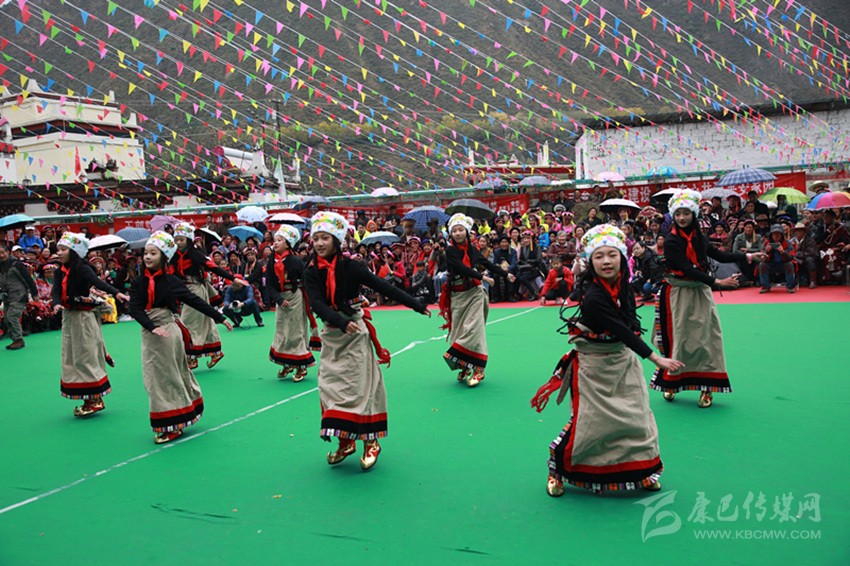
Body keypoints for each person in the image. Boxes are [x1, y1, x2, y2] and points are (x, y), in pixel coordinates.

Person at [530, 225, 684, 497]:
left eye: (612, 255)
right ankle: (558, 469)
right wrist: (655, 357)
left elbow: (628, 323)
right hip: (594, 365)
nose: (606, 261)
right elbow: (623, 330)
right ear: (591, 261)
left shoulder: (623, 286)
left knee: (637, 418)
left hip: (623, 361)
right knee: (592, 424)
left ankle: (643, 471)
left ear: (622, 258)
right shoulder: (593, 297)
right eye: (599, 256)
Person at [304, 212, 430, 470]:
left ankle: (370, 442)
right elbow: (316, 302)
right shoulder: (310, 270)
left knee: (360, 389)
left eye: (324, 238)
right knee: (330, 388)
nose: (319, 243)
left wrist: (416, 304)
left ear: (337, 240)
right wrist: (339, 322)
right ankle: (345, 441)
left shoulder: (351, 267)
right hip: (333, 335)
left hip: (355, 337)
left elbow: (383, 287)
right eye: (315, 238)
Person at [650, 189, 763, 409]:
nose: (682, 217)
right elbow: (685, 268)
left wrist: (748, 256)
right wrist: (718, 283)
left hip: (700, 292)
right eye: (678, 213)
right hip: (678, 294)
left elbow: (718, 255)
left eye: (686, 213)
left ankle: (707, 388)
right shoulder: (672, 241)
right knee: (680, 339)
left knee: (707, 339)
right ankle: (672, 382)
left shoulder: (699, 237)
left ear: (693, 214)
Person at [129, 231, 233, 444]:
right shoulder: (138, 282)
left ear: (164, 256)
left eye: (153, 253)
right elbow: (135, 308)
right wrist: (150, 326)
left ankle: (173, 421)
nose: (147, 257)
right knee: (153, 376)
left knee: (167, 375)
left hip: (168, 331)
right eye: (146, 253)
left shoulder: (171, 281)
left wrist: (219, 317)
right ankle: (175, 415)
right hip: (151, 333)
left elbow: (194, 300)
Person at [52, 233, 129, 416]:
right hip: (69, 317)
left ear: (74, 251)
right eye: (59, 249)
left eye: (64, 249)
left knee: (86, 355)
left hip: (84, 318)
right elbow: (56, 290)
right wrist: (56, 303)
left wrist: (116, 293)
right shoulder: (58, 271)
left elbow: (97, 283)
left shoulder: (83, 269)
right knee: (72, 356)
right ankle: (88, 397)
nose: (60, 253)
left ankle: (95, 399)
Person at [438, 214, 516, 387]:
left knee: (474, 329)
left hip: (474, 293)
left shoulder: (472, 250)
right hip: (457, 295)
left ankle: (479, 369)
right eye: (454, 231)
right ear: (451, 234)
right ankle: (465, 365)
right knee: (458, 332)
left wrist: (505, 273)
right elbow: (460, 268)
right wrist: (483, 277)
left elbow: (486, 264)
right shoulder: (450, 251)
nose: (458, 233)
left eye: (460, 230)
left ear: (467, 231)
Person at [169, 222, 234, 369]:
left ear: (189, 240)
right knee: (206, 322)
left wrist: (232, 278)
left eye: (181, 239)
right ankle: (216, 351)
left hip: (195, 290)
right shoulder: (174, 256)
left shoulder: (196, 254)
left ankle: (192, 357)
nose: (178, 242)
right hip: (185, 290)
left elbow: (213, 267)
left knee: (188, 322)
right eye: (176, 239)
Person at [264, 224, 316, 382]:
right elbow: (270, 284)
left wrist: (312, 301)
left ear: (287, 243)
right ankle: (286, 362)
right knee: (281, 331)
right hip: (282, 300)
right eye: (275, 240)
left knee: (295, 331)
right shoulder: (271, 260)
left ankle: (301, 366)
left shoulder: (296, 261)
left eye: (279, 240)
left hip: (295, 298)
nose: (275, 243)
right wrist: (279, 300)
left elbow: (306, 281)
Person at [0, 241, 38, 350]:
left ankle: (18, 339)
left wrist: (34, 293)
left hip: (19, 295)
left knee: (12, 316)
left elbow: (28, 279)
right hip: (7, 296)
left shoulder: (17, 264)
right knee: (7, 319)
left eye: (2, 252)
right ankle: (15, 339)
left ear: (8, 252)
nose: (1, 255)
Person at [759, 225, 797, 293]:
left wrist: (783, 252)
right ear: (771, 235)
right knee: (762, 265)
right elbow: (762, 258)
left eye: (778, 234)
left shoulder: (787, 243)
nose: (776, 236)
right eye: (774, 234)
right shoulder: (766, 243)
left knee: (789, 264)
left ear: (781, 235)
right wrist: (766, 252)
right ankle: (765, 286)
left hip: (783, 264)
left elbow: (791, 257)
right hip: (771, 265)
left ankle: (790, 286)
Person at [790, 222, 819, 288]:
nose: (798, 232)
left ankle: (813, 281)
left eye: (801, 230)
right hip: (796, 259)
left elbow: (812, 253)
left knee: (810, 260)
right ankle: (791, 281)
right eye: (797, 230)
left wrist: (798, 254)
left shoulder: (810, 240)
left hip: (807, 259)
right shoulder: (792, 241)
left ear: (804, 231)